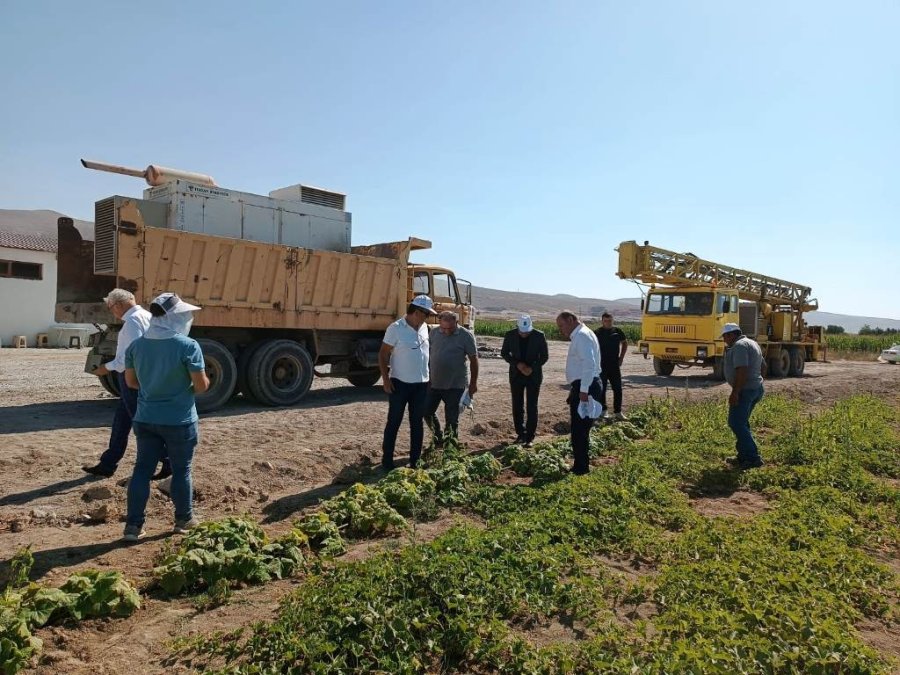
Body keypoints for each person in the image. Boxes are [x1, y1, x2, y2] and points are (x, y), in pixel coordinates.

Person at [122, 293, 209, 541]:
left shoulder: (136, 346)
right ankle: (184, 519)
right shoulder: (187, 346)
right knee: (182, 470)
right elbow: (201, 386)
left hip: (145, 417)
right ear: (175, 316)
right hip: (179, 419)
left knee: (142, 470)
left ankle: (133, 526)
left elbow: (131, 382)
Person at [82, 289, 171, 480]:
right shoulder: (146, 316)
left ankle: (168, 459)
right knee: (121, 422)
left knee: (143, 424)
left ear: (118, 305)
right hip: (143, 376)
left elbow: (128, 357)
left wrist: (105, 368)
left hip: (133, 378)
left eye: (111, 308)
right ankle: (108, 463)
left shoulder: (131, 322)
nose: (112, 313)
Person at [378, 295, 437, 470]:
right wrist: (386, 379)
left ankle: (415, 460)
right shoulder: (396, 328)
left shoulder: (425, 328)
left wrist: (430, 377)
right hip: (400, 384)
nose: (427, 318)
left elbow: (426, 355)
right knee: (394, 421)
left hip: (421, 384)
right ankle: (387, 460)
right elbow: (382, 354)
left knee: (416, 423)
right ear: (417, 312)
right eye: (426, 314)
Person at [556, 310, 602, 475]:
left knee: (579, 430)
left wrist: (583, 390)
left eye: (562, 325)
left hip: (587, 387)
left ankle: (581, 468)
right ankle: (580, 465)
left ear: (570, 319)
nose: (561, 330)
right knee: (580, 429)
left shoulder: (582, 336)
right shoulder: (583, 334)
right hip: (584, 385)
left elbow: (588, 365)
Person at [425, 311, 479, 446]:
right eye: (444, 328)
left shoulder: (466, 335)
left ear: (457, 323)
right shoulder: (433, 333)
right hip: (434, 382)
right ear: (439, 324)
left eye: (450, 328)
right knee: (426, 411)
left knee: (452, 419)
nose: (447, 331)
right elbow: (427, 355)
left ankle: (450, 446)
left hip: (455, 384)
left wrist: (473, 384)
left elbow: (474, 360)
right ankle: (438, 436)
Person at [500, 314, 549, 447]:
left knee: (532, 406)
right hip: (516, 375)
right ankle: (520, 434)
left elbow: (544, 356)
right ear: (517, 327)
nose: (524, 334)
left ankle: (530, 437)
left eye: (527, 332)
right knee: (517, 405)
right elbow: (504, 353)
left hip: (533, 376)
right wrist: (518, 364)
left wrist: (532, 368)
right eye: (522, 331)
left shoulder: (539, 336)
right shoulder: (510, 335)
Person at [722, 323, 765, 470]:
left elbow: (742, 370)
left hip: (745, 390)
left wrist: (736, 392)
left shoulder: (740, 346)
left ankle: (753, 457)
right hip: (755, 388)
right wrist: (757, 382)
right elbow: (763, 367)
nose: (724, 340)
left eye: (724, 336)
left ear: (731, 334)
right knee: (742, 422)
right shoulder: (752, 343)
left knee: (736, 423)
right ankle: (743, 456)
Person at [594, 312, 629, 420]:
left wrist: (621, 358)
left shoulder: (617, 332)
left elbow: (625, 343)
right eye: (605, 321)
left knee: (617, 388)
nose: (608, 323)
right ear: (602, 321)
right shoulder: (597, 332)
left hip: (614, 365)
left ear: (612, 320)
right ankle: (603, 411)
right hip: (601, 365)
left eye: (610, 321)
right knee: (602, 389)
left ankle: (618, 412)